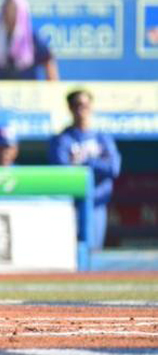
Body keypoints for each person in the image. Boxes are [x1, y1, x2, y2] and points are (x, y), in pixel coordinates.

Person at [48, 89, 121, 250]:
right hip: (71, 206)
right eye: (76, 105)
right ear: (70, 108)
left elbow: (113, 168)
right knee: (71, 253)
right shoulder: (62, 139)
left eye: (85, 105)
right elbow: (63, 172)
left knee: (93, 253)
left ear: (91, 107)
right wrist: (93, 164)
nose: (81, 109)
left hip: (97, 205)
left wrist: (86, 161)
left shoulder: (102, 138)